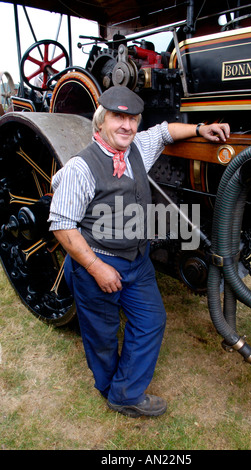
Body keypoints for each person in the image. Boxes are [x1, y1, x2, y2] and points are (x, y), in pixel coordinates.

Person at [49, 85, 230, 418]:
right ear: (100, 122)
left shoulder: (137, 147)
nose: (127, 126)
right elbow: (62, 225)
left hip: (136, 259)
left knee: (151, 321)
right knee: (102, 335)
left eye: (132, 119)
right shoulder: (81, 168)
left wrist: (200, 129)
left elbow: (164, 133)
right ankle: (110, 388)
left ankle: (124, 393)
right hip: (97, 262)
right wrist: (95, 267)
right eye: (118, 117)